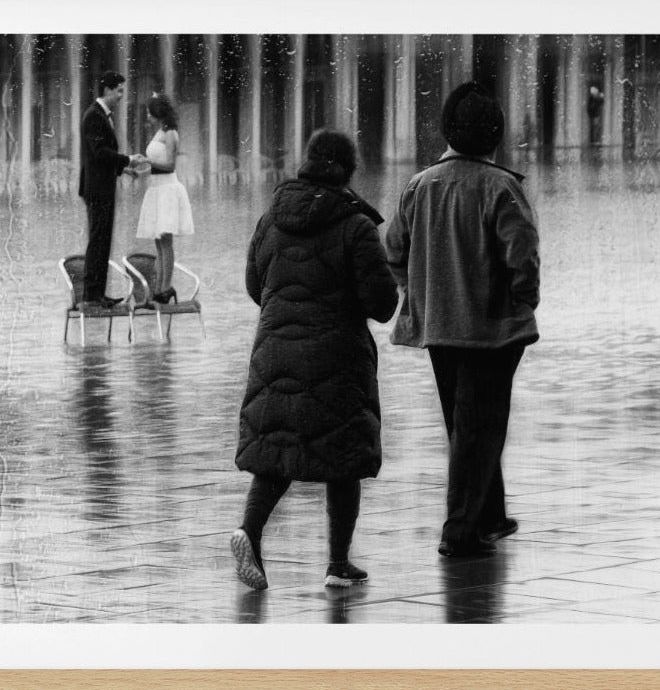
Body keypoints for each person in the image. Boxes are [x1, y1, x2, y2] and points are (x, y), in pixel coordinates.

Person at [231, 129, 399, 591]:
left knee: (277, 451)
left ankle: (249, 530)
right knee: (343, 456)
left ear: (306, 164)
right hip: (337, 355)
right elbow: (382, 303)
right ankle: (337, 564)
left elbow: (254, 285)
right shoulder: (355, 225)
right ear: (347, 171)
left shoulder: (271, 219)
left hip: (276, 351)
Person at [384, 81, 540, 558]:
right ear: (494, 136)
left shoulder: (419, 185)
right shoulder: (502, 187)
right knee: (481, 426)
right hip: (492, 330)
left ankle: (490, 515)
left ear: (448, 131)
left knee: (465, 423)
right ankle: (460, 533)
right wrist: (523, 300)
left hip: (439, 328)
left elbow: (393, 250)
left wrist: (422, 291)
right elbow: (523, 258)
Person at [78, 71, 147, 307]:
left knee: (103, 240)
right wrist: (127, 160)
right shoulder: (94, 116)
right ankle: (90, 296)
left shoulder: (101, 115)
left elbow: (100, 158)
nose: (121, 96)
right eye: (119, 91)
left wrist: (124, 170)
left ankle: (98, 294)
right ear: (107, 90)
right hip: (97, 190)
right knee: (98, 240)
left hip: (102, 186)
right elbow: (99, 153)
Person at [134, 94, 195, 303]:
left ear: (158, 114)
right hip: (157, 189)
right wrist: (139, 172)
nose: (148, 117)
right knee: (159, 243)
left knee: (166, 242)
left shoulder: (171, 134)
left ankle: (165, 288)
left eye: (150, 113)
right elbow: (156, 167)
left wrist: (146, 160)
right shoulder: (159, 132)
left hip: (168, 190)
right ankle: (158, 289)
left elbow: (169, 165)